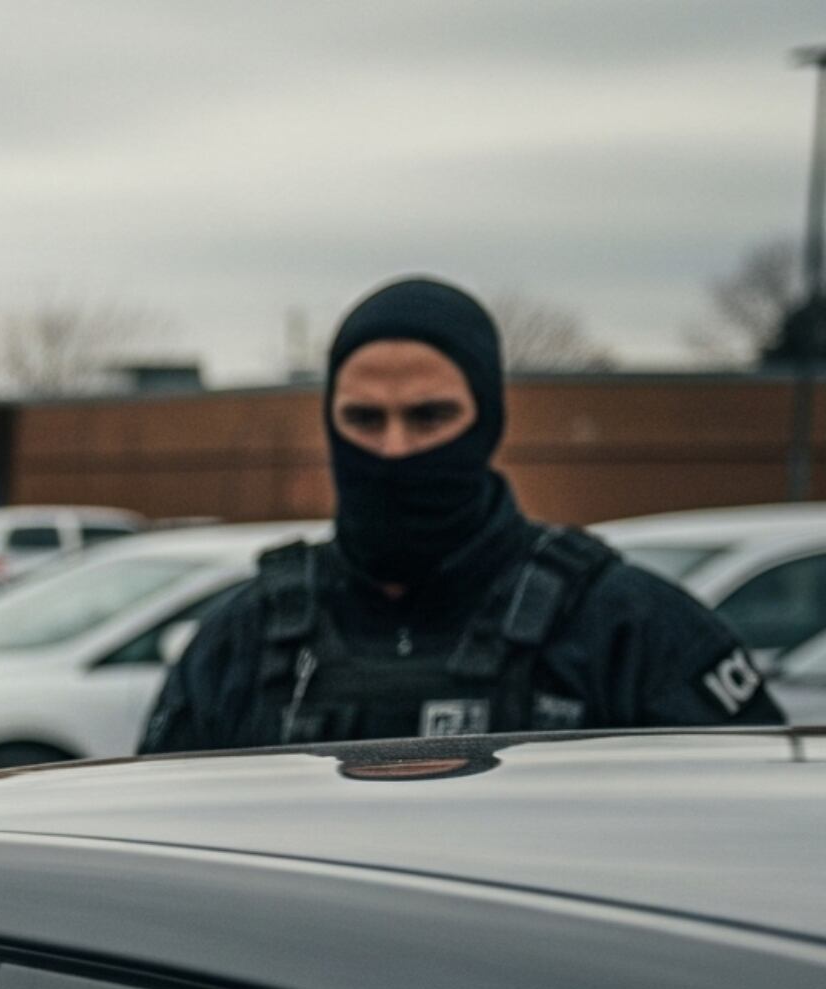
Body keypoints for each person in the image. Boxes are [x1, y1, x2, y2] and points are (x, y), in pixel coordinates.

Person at [140, 279, 781, 752]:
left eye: (429, 417)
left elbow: (748, 840)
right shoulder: (242, 641)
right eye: (364, 419)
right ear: (330, 424)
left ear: (489, 420)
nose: (393, 449)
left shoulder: (624, 629)